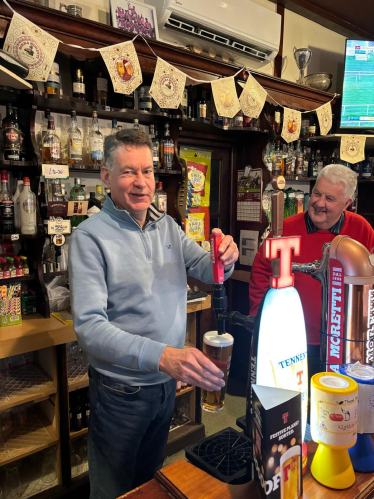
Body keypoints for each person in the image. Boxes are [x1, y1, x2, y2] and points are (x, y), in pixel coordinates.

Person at [69, 129, 239, 499]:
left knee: (151, 483)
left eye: (147, 171)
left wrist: (226, 256)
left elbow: (209, 270)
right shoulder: (89, 237)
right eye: (129, 171)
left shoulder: (166, 225)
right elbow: (90, 328)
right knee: (113, 489)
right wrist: (163, 356)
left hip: (164, 385)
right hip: (120, 391)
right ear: (106, 176)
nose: (141, 182)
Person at [249, 164, 374, 380]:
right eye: (317, 193)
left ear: (347, 203)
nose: (319, 203)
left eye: (330, 198)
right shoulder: (284, 228)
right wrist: (260, 319)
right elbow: (260, 272)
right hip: (292, 340)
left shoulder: (361, 228)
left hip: (343, 343)